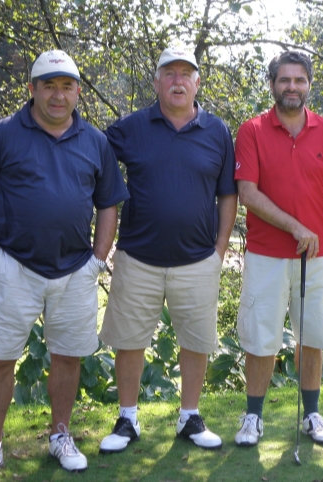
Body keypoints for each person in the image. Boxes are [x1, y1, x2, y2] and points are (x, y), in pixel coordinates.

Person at [0, 50, 129, 480]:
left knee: (68, 358)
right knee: (0, 359)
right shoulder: (1, 135)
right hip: (13, 266)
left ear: (77, 92)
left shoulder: (96, 141)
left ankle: (60, 436)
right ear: (32, 89)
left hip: (75, 271)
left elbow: (109, 202)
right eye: (48, 86)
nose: (58, 95)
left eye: (66, 86)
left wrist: (98, 259)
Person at [98, 46, 237, 453]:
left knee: (195, 341)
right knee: (130, 340)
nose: (178, 81)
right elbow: (93, 164)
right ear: (156, 82)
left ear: (197, 83)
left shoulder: (217, 132)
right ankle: (127, 419)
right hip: (137, 256)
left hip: (198, 259)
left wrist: (219, 250)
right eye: (169, 73)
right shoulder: (129, 128)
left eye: (186, 74)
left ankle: (189, 417)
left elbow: (228, 194)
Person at [233, 51, 323, 447]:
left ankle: (312, 415)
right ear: (272, 85)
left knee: (312, 335)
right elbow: (248, 193)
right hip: (266, 253)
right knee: (261, 336)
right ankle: (253, 417)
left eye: (300, 80)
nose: (292, 87)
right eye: (285, 80)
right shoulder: (252, 131)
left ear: (309, 85)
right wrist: (296, 225)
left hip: (317, 256)